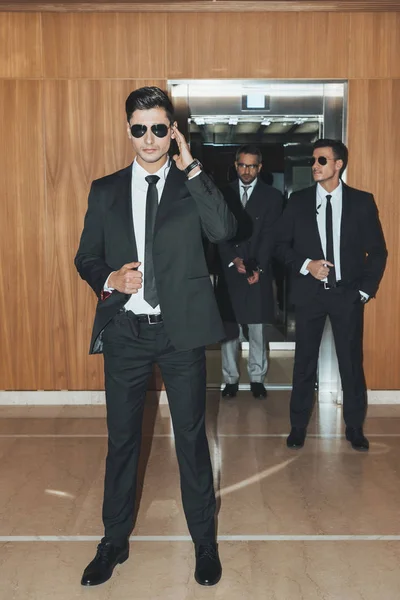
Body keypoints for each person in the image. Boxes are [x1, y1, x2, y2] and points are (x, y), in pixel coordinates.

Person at [75, 86, 236, 587]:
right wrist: (110, 280)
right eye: (140, 128)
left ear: (173, 131)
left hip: (180, 331)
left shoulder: (193, 184)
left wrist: (192, 168)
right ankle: (113, 540)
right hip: (125, 331)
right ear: (129, 131)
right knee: (122, 440)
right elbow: (86, 256)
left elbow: (225, 229)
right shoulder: (105, 190)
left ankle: (204, 543)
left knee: (190, 439)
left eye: (160, 128)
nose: (150, 138)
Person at [275, 139, 387, 451]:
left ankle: (354, 427)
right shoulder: (297, 202)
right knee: (303, 363)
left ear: (338, 165)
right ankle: (298, 426)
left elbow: (377, 252)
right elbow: (280, 246)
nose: (315, 165)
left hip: (347, 296)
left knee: (351, 363)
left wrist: (363, 292)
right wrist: (306, 265)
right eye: (313, 160)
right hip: (310, 296)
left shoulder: (362, 202)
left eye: (322, 160)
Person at [216, 145, 283, 398]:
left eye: (252, 166)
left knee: (256, 327)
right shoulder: (223, 194)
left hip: (258, 269)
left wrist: (256, 266)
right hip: (231, 269)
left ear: (260, 167)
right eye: (242, 165)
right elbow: (216, 234)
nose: (247, 170)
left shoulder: (273, 197)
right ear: (235, 165)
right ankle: (230, 379)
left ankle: (257, 378)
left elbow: (270, 237)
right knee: (229, 328)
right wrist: (234, 260)